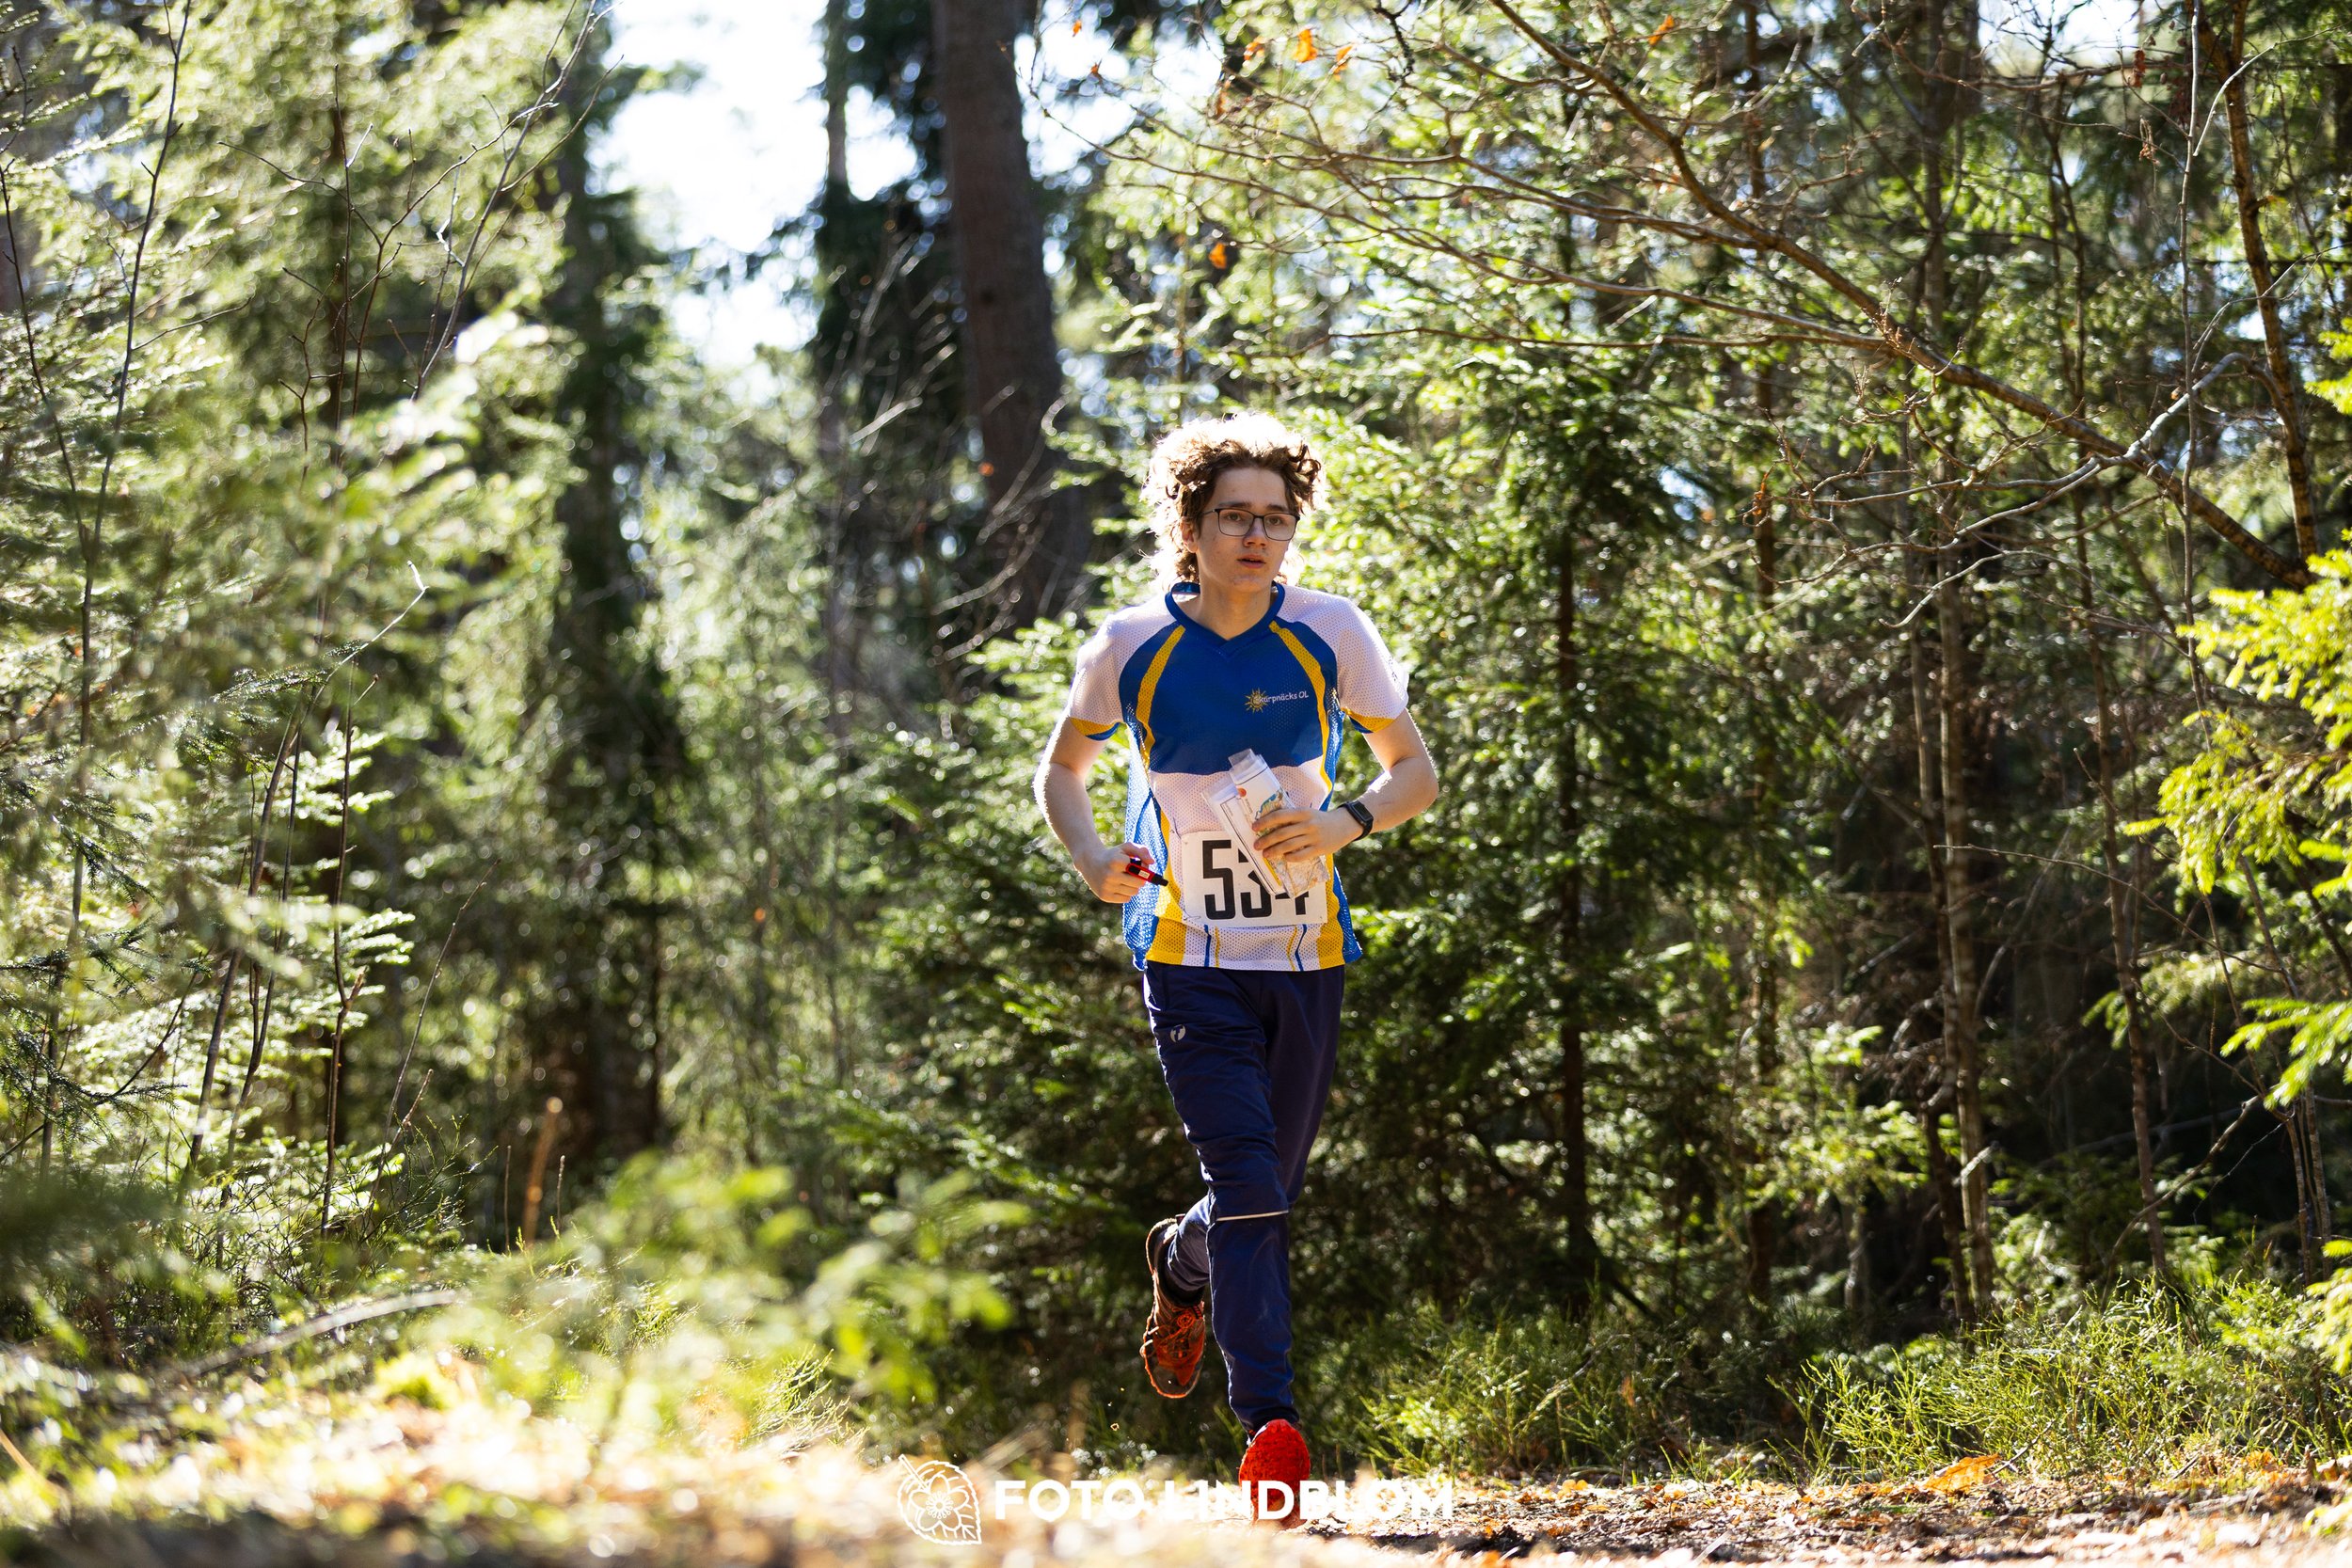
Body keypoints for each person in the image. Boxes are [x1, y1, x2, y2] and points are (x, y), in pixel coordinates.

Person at [1032, 412, 1440, 1524]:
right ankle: (1268, 1428)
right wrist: (1087, 854)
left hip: (1305, 949)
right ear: (1191, 526)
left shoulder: (1330, 630)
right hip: (1187, 949)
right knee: (1253, 1179)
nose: (1258, 536)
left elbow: (1416, 771)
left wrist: (1344, 821)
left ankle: (1184, 1253)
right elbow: (1062, 769)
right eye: (1235, 517)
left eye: (1275, 517)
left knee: (1266, 1191)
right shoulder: (1130, 644)